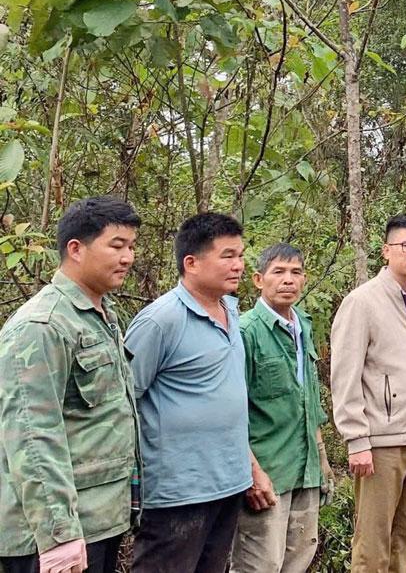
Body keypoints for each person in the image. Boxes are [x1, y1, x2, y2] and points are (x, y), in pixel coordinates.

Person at [0, 197, 141, 573]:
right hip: (54, 536)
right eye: (116, 246)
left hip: (98, 521)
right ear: (76, 249)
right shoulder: (42, 326)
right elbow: (31, 435)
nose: (128, 257)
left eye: (131, 246)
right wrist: (59, 536)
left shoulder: (100, 316)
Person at [125, 212, 252, 572]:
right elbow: (122, 399)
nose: (238, 265)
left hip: (228, 483)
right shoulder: (160, 321)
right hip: (177, 493)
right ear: (191, 263)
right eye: (227, 256)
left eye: (241, 255)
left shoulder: (231, 308)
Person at [331, 213, 406, 573]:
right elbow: (344, 376)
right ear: (386, 251)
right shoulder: (362, 302)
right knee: (373, 540)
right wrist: (357, 439)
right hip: (380, 442)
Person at [232, 243, 332, 573]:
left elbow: (308, 400)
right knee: (260, 565)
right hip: (267, 473)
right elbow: (231, 411)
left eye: (295, 272)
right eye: (278, 272)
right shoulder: (246, 332)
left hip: (304, 470)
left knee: (297, 562)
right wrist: (251, 472)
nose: (288, 280)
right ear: (259, 280)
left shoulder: (302, 326)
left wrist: (322, 459)